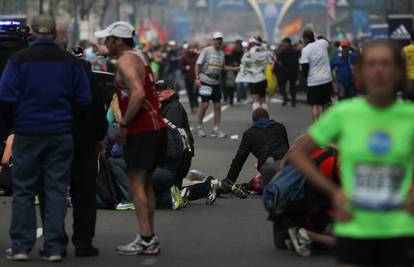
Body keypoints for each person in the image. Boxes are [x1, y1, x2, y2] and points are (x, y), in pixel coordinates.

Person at [290, 40, 414, 267]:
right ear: (361, 73)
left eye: (386, 64)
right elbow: (298, 153)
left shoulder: (410, 116)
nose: (379, 71)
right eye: (372, 64)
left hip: (400, 227)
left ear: (398, 72)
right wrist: (334, 192)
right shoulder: (343, 113)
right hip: (355, 225)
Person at [0, 15, 91, 262]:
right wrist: (69, 122)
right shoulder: (71, 63)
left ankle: (20, 246)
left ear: (32, 34)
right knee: (56, 190)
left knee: (23, 190)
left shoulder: (18, 60)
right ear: (54, 34)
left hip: (28, 132)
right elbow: (84, 101)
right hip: (60, 133)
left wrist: (14, 125)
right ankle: (54, 247)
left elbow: (6, 97)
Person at [95, 21, 167, 256]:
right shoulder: (140, 56)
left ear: (117, 40)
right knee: (145, 184)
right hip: (154, 128)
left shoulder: (126, 60)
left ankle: (147, 239)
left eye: (107, 37)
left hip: (142, 130)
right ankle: (149, 236)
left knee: (136, 183)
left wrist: (123, 123)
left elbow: (137, 92)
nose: (104, 41)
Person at [68, 47, 108, 256]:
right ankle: (83, 242)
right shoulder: (85, 71)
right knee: (84, 193)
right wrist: (100, 135)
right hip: (84, 140)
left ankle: (53, 243)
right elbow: (97, 106)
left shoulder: (29, 63)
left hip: (56, 136)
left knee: (53, 191)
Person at [222, 108, 289, 196]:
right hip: (287, 166)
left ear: (254, 121)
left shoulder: (249, 134)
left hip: (269, 168)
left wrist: (229, 182)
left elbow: (239, 160)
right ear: (268, 117)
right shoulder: (280, 127)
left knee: (257, 182)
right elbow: (287, 149)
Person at [195, 32, 239, 138]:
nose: (218, 41)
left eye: (220, 39)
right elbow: (198, 64)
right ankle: (199, 128)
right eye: (216, 39)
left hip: (216, 82)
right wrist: (197, 78)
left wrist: (234, 69)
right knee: (205, 105)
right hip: (205, 80)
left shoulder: (221, 53)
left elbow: (223, 67)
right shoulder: (207, 50)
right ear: (213, 40)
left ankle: (216, 129)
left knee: (218, 106)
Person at [299, 29, 333, 121]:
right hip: (326, 79)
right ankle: (328, 124)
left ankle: (317, 127)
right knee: (326, 103)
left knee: (315, 105)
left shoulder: (305, 50)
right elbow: (327, 41)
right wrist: (319, 37)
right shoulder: (322, 43)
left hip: (313, 81)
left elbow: (304, 68)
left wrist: (305, 77)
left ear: (305, 39)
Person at [236, 36, 274, 110]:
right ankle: (264, 117)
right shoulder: (265, 52)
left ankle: (257, 117)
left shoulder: (249, 53)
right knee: (263, 100)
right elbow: (271, 61)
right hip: (263, 78)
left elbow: (243, 64)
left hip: (254, 78)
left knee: (255, 100)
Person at [278, 38, 300, 107]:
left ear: (287, 43)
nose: (283, 44)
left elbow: (279, 60)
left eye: (284, 43)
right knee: (292, 87)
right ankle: (293, 101)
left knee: (282, 86)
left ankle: (286, 98)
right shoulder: (296, 51)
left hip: (285, 71)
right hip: (293, 71)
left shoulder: (283, 51)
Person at [180, 44, 199, 113]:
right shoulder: (184, 56)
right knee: (190, 93)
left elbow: (200, 64)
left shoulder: (197, 56)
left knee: (195, 92)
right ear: (187, 49)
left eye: (192, 49)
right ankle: (192, 107)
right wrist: (185, 67)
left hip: (195, 76)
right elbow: (181, 66)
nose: (191, 50)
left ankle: (196, 106)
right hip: (187, 77)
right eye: (190, 49)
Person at [402, 30, 414, 100]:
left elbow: (400, 64)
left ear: (411, 38)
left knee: (408, 100)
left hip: (409, 79)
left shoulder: (405, 49)